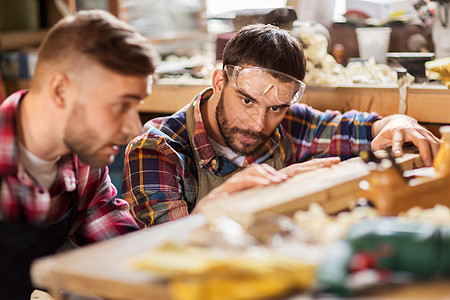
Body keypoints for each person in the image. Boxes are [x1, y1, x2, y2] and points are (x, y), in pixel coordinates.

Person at [122, 24, 441, 229]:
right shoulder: (157, 149)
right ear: (219, 81)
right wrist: (279, 183)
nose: (259, 124)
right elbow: (165, 250)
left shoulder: (287, 123)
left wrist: (397, 121)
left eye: (276, 108)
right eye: (247, 101)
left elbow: (362, 128)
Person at [0, 10, 158, 299]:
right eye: (122, 105)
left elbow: (128, 258)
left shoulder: (85, 165)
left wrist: (199, 228)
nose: (134, 128)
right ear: (60, 90)